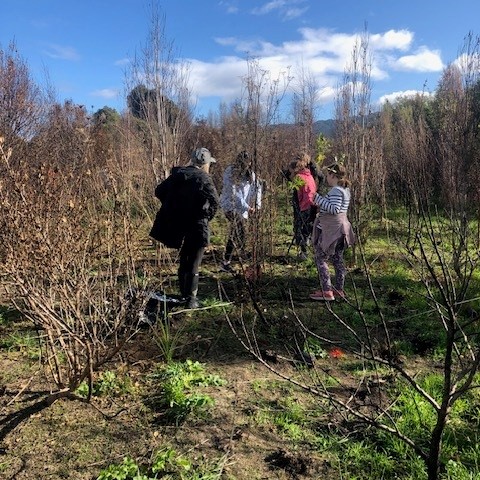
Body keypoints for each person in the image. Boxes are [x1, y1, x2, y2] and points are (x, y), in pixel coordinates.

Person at [149, 147, 219, 309]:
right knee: (194, 262)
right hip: (198, 226)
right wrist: (205, 215)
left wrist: (175, 207)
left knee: (184, 260)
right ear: (205, 164)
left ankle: (183, 296)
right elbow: (214, 202)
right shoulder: (204, 178)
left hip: (179, 226)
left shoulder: (178, 175)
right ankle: (191, 300)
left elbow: (159, 191)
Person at [310, 161, 355, 301]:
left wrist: (318, 199)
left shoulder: (336, 190)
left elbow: (334, 209)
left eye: (327, 175)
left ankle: (327, 291)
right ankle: (339, 290)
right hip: (342, 230)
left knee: (320, 258)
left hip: (332, 231)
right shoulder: (345, 190)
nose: (326, 178)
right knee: (337, 260)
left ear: (332, 175)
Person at [219, 151, 262, 272]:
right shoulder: (230, 172)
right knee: (239, 228)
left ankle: (227, 261)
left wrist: (257, 206)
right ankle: (241, 253)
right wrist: (247, 207)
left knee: (235, 232)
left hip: (243, 208)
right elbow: (234, 194)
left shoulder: (251, 174)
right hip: (229, 205)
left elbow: (257, 188)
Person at [288, 153, 318, 260]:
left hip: (305, 206)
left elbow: (298, 196)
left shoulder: (299, 178)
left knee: (302, 230)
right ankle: (309, 251)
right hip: (313, 205)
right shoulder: (309, 176)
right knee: (308, 230)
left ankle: (304, 253)